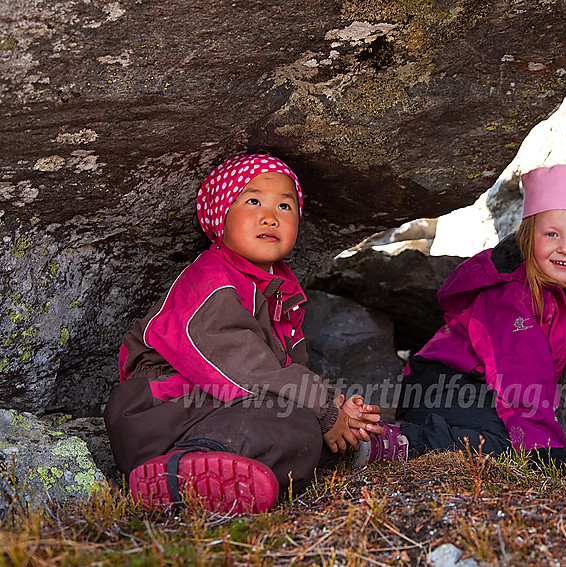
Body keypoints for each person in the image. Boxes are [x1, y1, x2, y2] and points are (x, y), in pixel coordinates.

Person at [104, 154, 384, 514]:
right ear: (222, 215)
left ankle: (216, 478)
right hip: (162, 409)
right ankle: (186, 469)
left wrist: (339, 413)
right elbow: (246, 368)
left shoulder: (282, 295)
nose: (271, 216)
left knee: (300, 429)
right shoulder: (211, 278)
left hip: (216, 412)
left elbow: (286, 380)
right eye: (253, 201)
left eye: (285, 205)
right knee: (291, 415)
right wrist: (324, 408)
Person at [355, 164, 566, 470]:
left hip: (476, 389)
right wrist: (548, 452)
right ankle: (398, 443)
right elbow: (522, 376)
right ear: (528, 237)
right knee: (508, 448)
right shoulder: (511, 296)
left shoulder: (565, 293)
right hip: (445, 384)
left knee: (512, 442)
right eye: (552, 234)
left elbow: (535, 356)